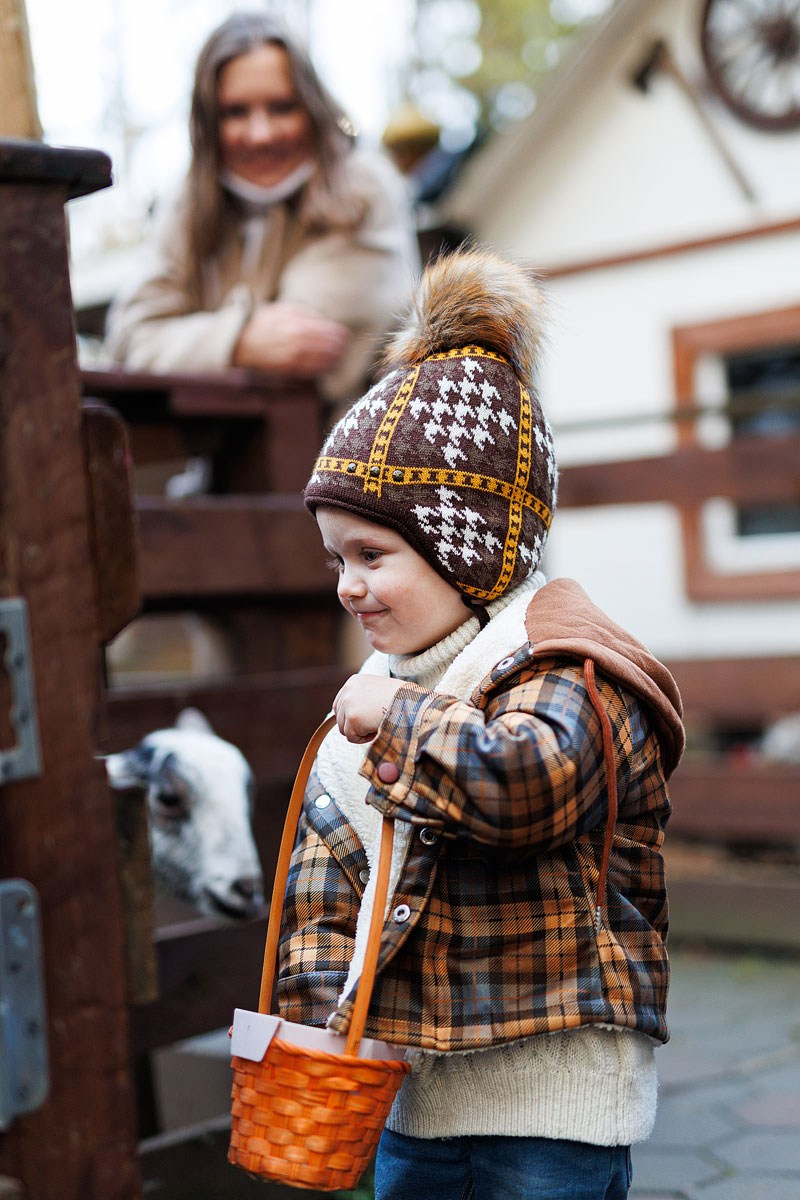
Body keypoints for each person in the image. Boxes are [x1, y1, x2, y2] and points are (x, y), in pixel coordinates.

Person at [277, 247, 685, 1200]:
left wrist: (400, 720)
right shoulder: (379, 692)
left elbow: (530, 784)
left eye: (372, 555)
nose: (347, 586)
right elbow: (326, 880)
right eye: (336, 559)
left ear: (465, 547)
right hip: (414, 1102)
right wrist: (312, 1024)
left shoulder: (566, 667)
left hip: (553, 1110)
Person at [105, 12, 420, 416]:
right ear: (209, 124)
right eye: (235, 112)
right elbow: (129, 338)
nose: (261, 134)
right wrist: (238, 340)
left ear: (312, 108)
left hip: (353, 442)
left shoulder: (362, 190)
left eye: (282, 107)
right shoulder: (189, 203)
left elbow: (300, 349)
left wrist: (189, 341)